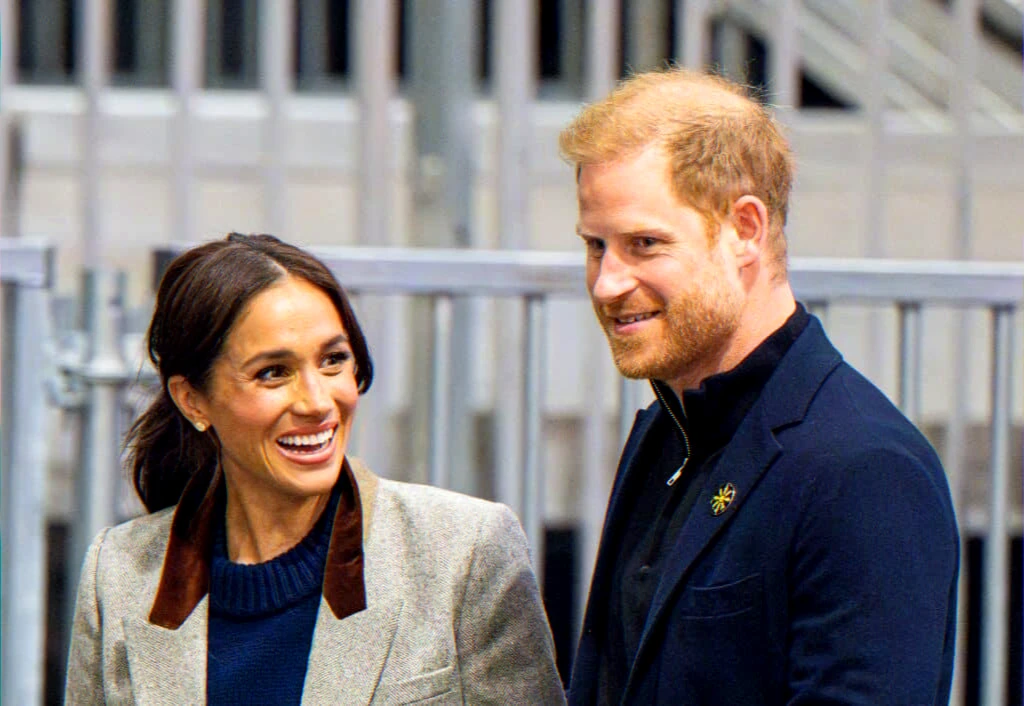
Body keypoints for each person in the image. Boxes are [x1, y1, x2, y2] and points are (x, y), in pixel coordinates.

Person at [559, 68, 959, 705]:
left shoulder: (863, 467)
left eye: (644, 244)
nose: (607, 282)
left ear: (745, 229)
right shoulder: (666, 430)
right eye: (595, 246)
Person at [65, 233, 566, 705]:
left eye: (333, 360)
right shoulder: (119, 573)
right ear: (193, 400)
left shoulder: (465, 552)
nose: (317, 401)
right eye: (273, 372)